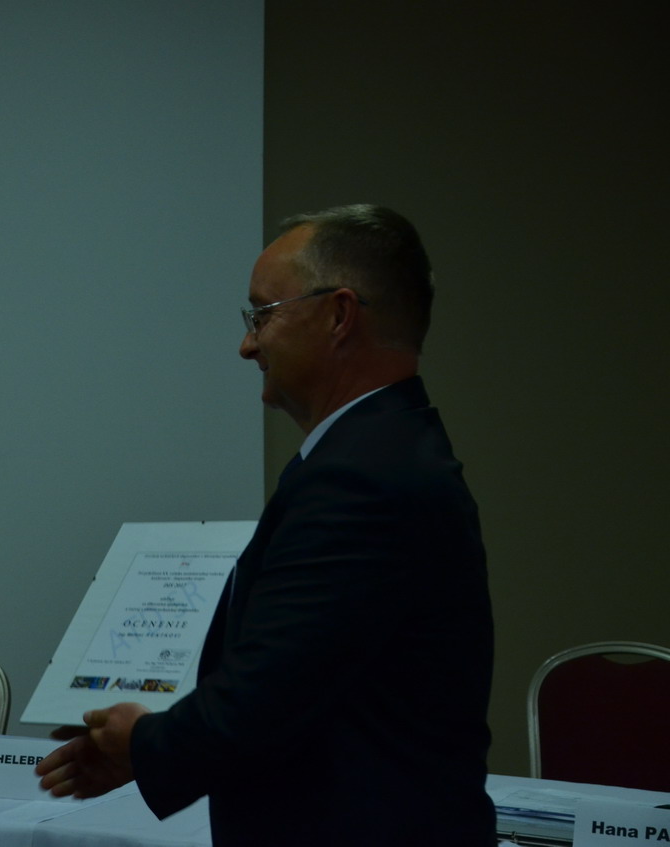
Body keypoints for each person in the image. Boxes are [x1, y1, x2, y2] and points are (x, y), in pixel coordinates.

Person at [36, 205, 495, 845]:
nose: (248, 345)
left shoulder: (362, 479)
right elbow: (308, 690)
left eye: (262, 315)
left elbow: (267, 694)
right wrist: (149, 752)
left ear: (338, 315)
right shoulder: (383, 453)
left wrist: (142, 742)